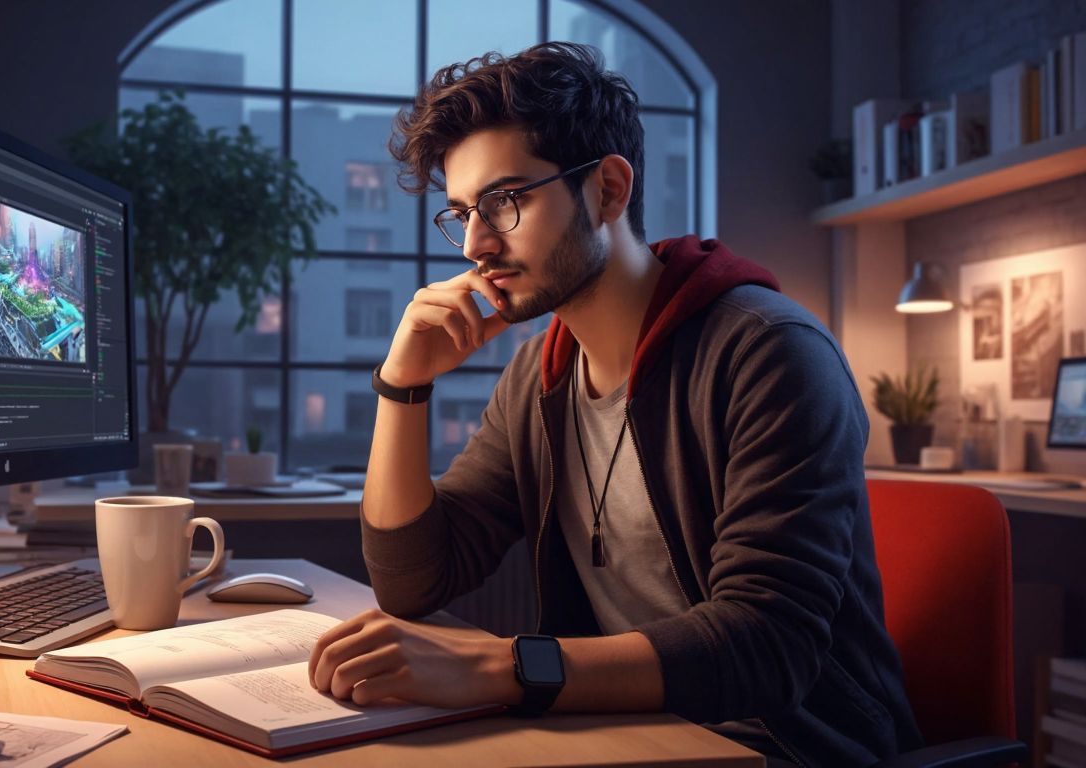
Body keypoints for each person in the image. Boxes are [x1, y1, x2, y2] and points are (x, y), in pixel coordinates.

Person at [305, 42, 923, 766]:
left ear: (608, 189)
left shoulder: (769, 352)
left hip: (787, 747)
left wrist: (491, 668)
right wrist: (401, 385)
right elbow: (414, 579)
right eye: (462, 213)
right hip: (620, 735)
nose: (475, 243)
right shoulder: (539, 375)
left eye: (506, 201)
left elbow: (769, 646)